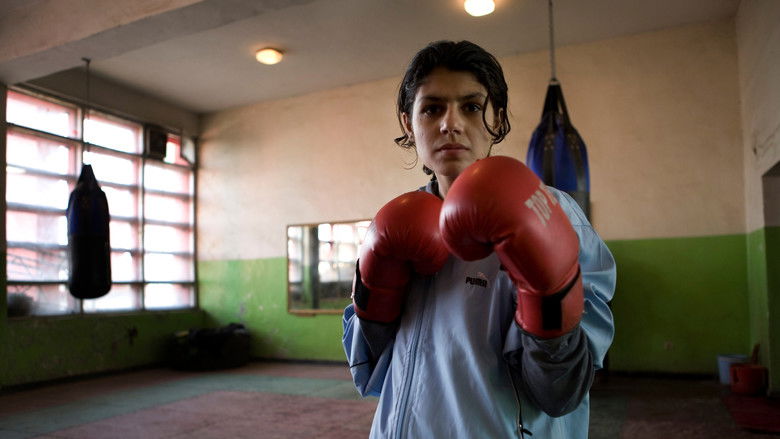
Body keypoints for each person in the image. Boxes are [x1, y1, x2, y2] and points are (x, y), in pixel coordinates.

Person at [342, 40, 615, 439]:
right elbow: (368, 368)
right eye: (432, 108)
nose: (449, 123)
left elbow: (563, 393)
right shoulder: (394, 222)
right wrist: (374, 291)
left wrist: (549, 296)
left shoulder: (552, 212)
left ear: (497, 118)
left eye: (471, 106)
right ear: (408, 123)